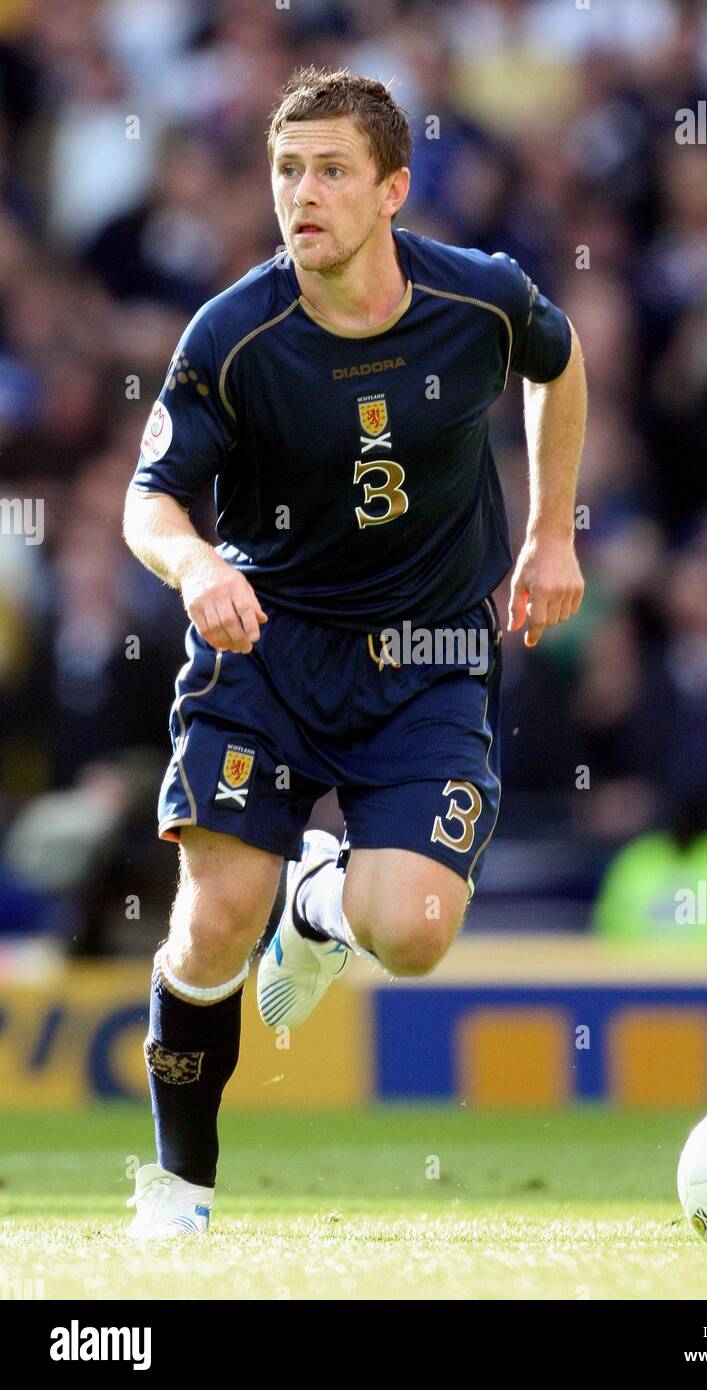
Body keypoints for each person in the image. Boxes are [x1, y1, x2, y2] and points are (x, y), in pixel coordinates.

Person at [122, 67, 587, 1237]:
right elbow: (149, 501)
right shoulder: (233, 333)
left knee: (415, 936)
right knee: (214, 917)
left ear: (393, 189)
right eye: (287, 170)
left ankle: (323, 904)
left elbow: (559, 357)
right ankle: (179, 1189)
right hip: (268, 649)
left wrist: (547, 533)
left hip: (428, 656)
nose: (303, 194)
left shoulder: (478, 298)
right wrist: (199, 568)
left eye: (331, 170)